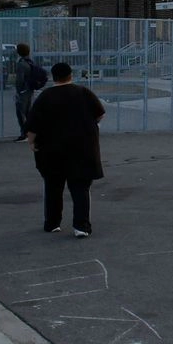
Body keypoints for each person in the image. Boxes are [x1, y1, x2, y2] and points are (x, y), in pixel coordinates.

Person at [25, 62, 106, 238]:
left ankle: (52, 223)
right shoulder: (84, 92)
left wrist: (31, 142)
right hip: (82, 149)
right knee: (80, 188)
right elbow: (100, 114)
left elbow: (33, 125)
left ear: (53, 77)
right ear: (71, 75)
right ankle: (81, 226)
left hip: (52, 151)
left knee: (53, 187)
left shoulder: (45, 97)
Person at [13, 42, 35, 141]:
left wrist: (18, 91)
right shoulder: (30, 62)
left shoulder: (21, 64)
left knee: (20, 113)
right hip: (29, 90)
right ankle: (31, 132)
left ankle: (24, 134)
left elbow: (19, 80)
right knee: (28, 112)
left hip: (23, 91)